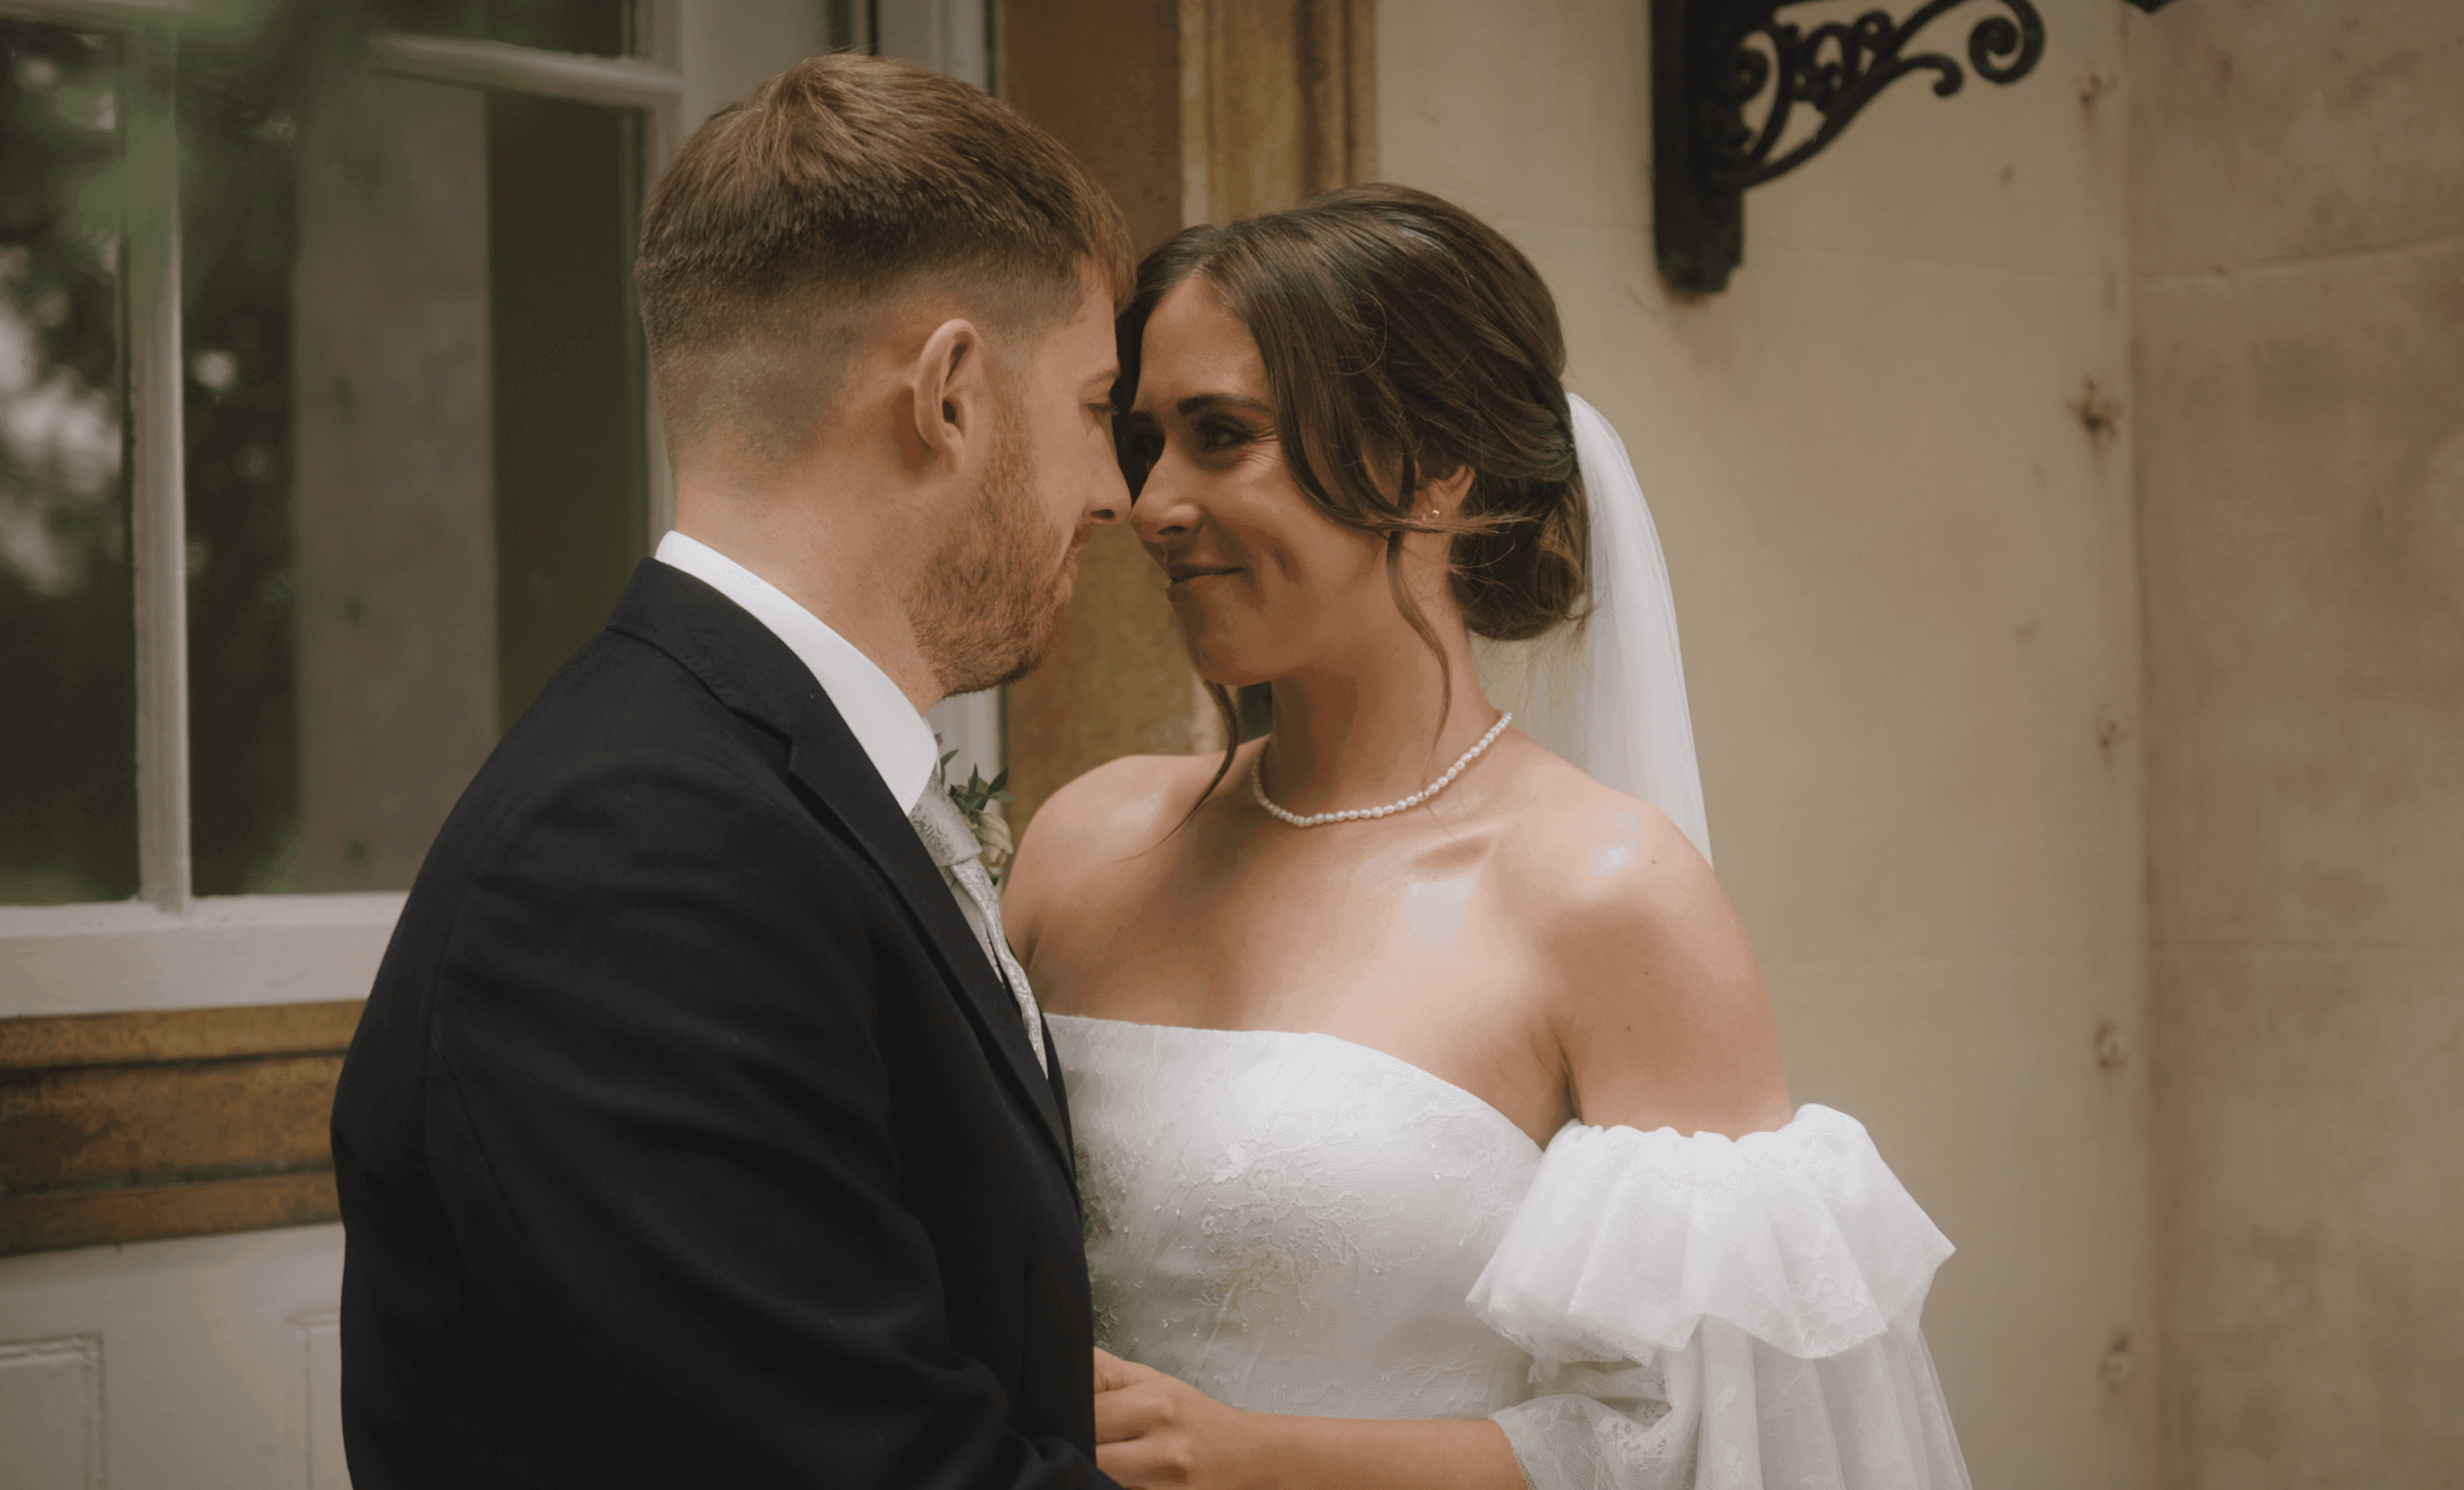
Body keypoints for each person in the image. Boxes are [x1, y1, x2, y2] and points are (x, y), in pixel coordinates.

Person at [1005, 184, 1973, 1489]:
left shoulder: (1605, 897)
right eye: (1143, 441)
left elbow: (1694, 1438)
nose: (1153, 502)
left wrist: (1253, 1457)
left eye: (1221, 437)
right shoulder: (1085, 843)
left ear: (1434, 469)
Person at [331, 54, 1134, 1488]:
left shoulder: (737, 780)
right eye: (1093, 406)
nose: (1117, 494)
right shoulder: (642, 852)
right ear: (950, 396)